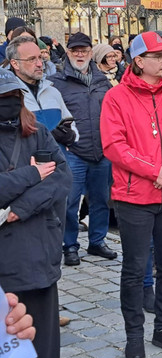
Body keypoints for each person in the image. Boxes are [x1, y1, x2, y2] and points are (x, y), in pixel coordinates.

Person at [100, 31, 162, 358]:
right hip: (134, 199)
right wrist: (154, 171)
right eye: (158, 55)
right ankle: (134, 335)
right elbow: (115, 146)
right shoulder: (116, 98)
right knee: (133, 269)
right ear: (139, 61)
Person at [0, 68, 72, 358]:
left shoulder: (38, 132)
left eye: (13, 95)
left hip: (40, 251)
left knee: (45, 346)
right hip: (6, 258)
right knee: (12, 345)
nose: (8, 101)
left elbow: (62, 178)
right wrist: (32, 173)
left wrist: (20, 207)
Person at [49, 32, 117, 266]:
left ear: (91, 52)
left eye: (84, 50)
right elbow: (50, 116)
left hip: (102, 151)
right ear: (68, 52)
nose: (80, 54)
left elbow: (113, 113)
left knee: (101, 200)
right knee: (69, 202)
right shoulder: (57, 82)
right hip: (73, 152)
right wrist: (63, 138)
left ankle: (97, 241)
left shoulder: (101, 81)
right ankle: (69, 245)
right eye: (75, 50)